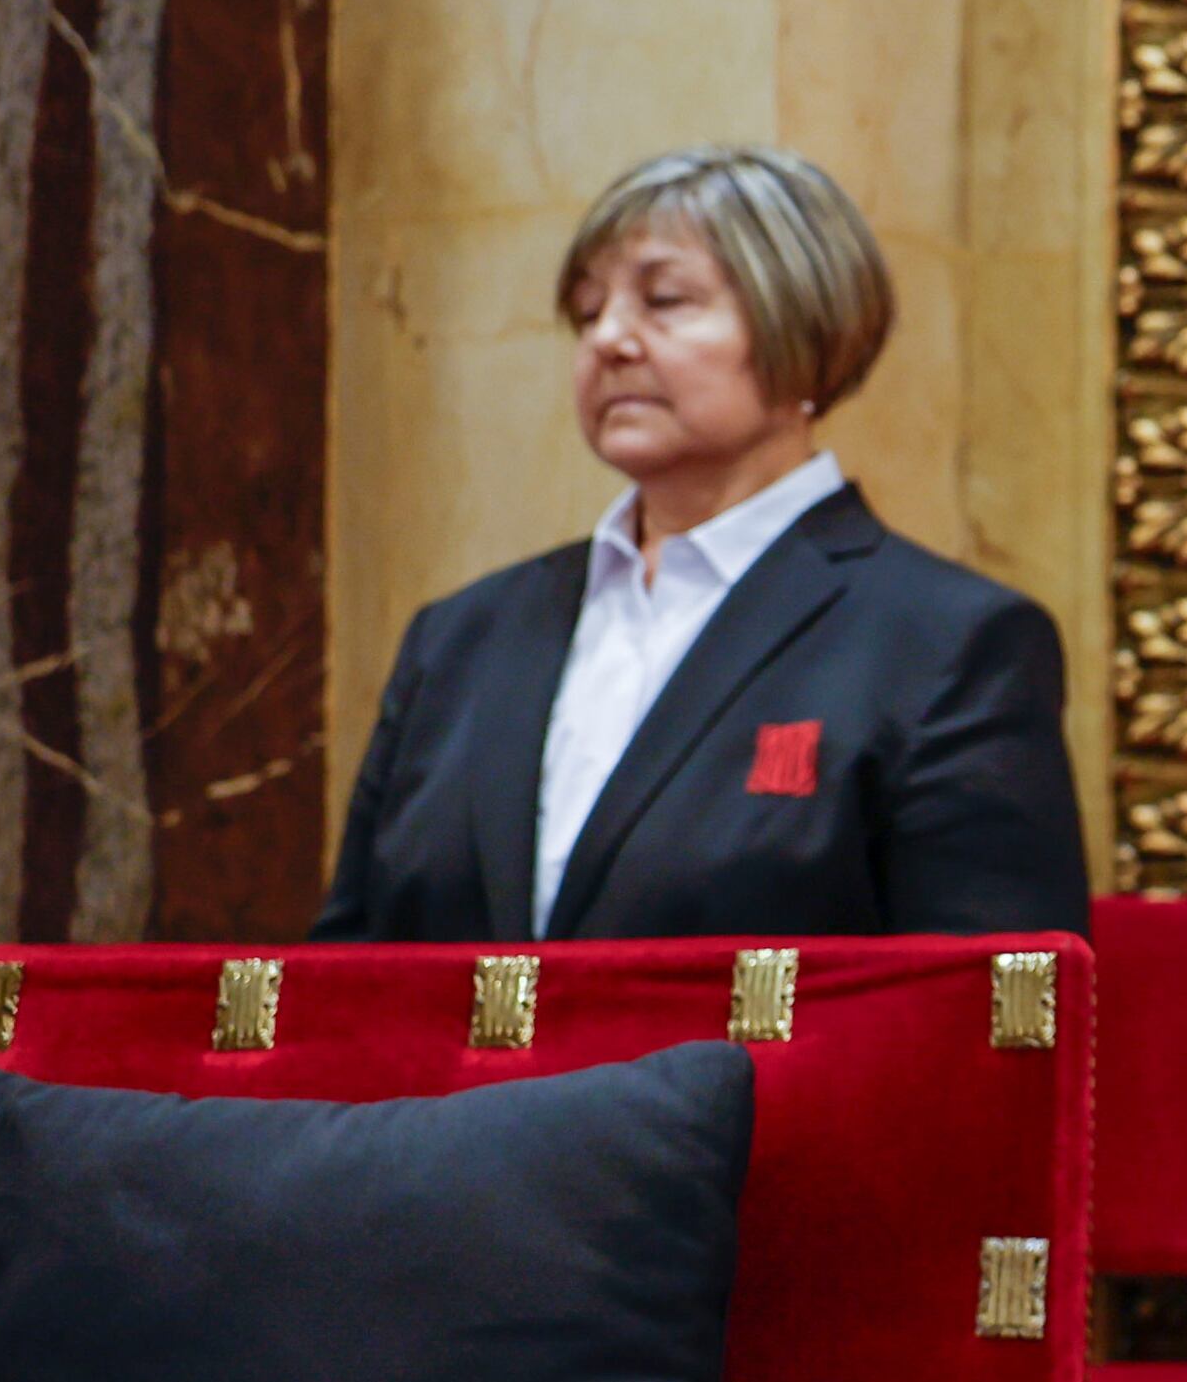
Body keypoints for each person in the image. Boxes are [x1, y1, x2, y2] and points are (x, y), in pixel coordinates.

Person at [315, 146, 1090, 942]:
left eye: (666, 300)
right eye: (588, 312)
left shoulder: (947, 643)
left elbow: (983, 1011)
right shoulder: (460, 639)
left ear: (807, 329)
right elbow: (346, 973)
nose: (609, 340)